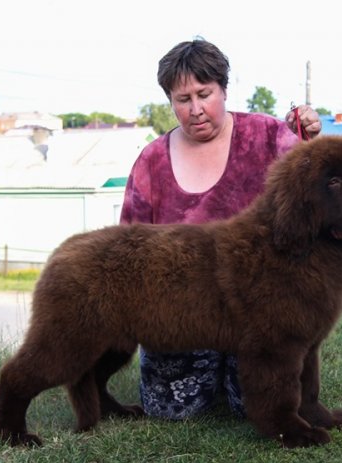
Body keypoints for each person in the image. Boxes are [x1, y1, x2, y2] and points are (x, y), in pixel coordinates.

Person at [119, 38, 322, 420]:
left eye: (204, 94)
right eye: (183, 99)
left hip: (257, 309)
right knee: (171, 411)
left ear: (224, 89)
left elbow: (313, 191)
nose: (195, 110)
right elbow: (129, 247)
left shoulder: (268, 136)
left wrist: (311, 140)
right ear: (170, 101)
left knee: (258, 405)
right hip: (182, 314)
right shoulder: (150, 162)